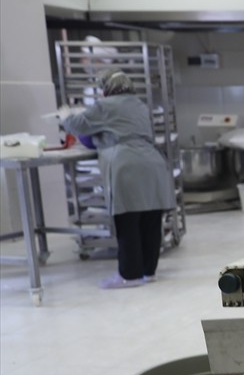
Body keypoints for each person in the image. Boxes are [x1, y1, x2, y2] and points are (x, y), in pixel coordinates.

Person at [59, 68, 176, 289]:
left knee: (128, 221)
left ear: (105, 89)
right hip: (153, 163)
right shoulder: (140, 105)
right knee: (150, 221)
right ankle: (148, 272)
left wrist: (66, 118)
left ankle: (129, 275)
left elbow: (79, 125)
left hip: (127, 165)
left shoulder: (105, 106)